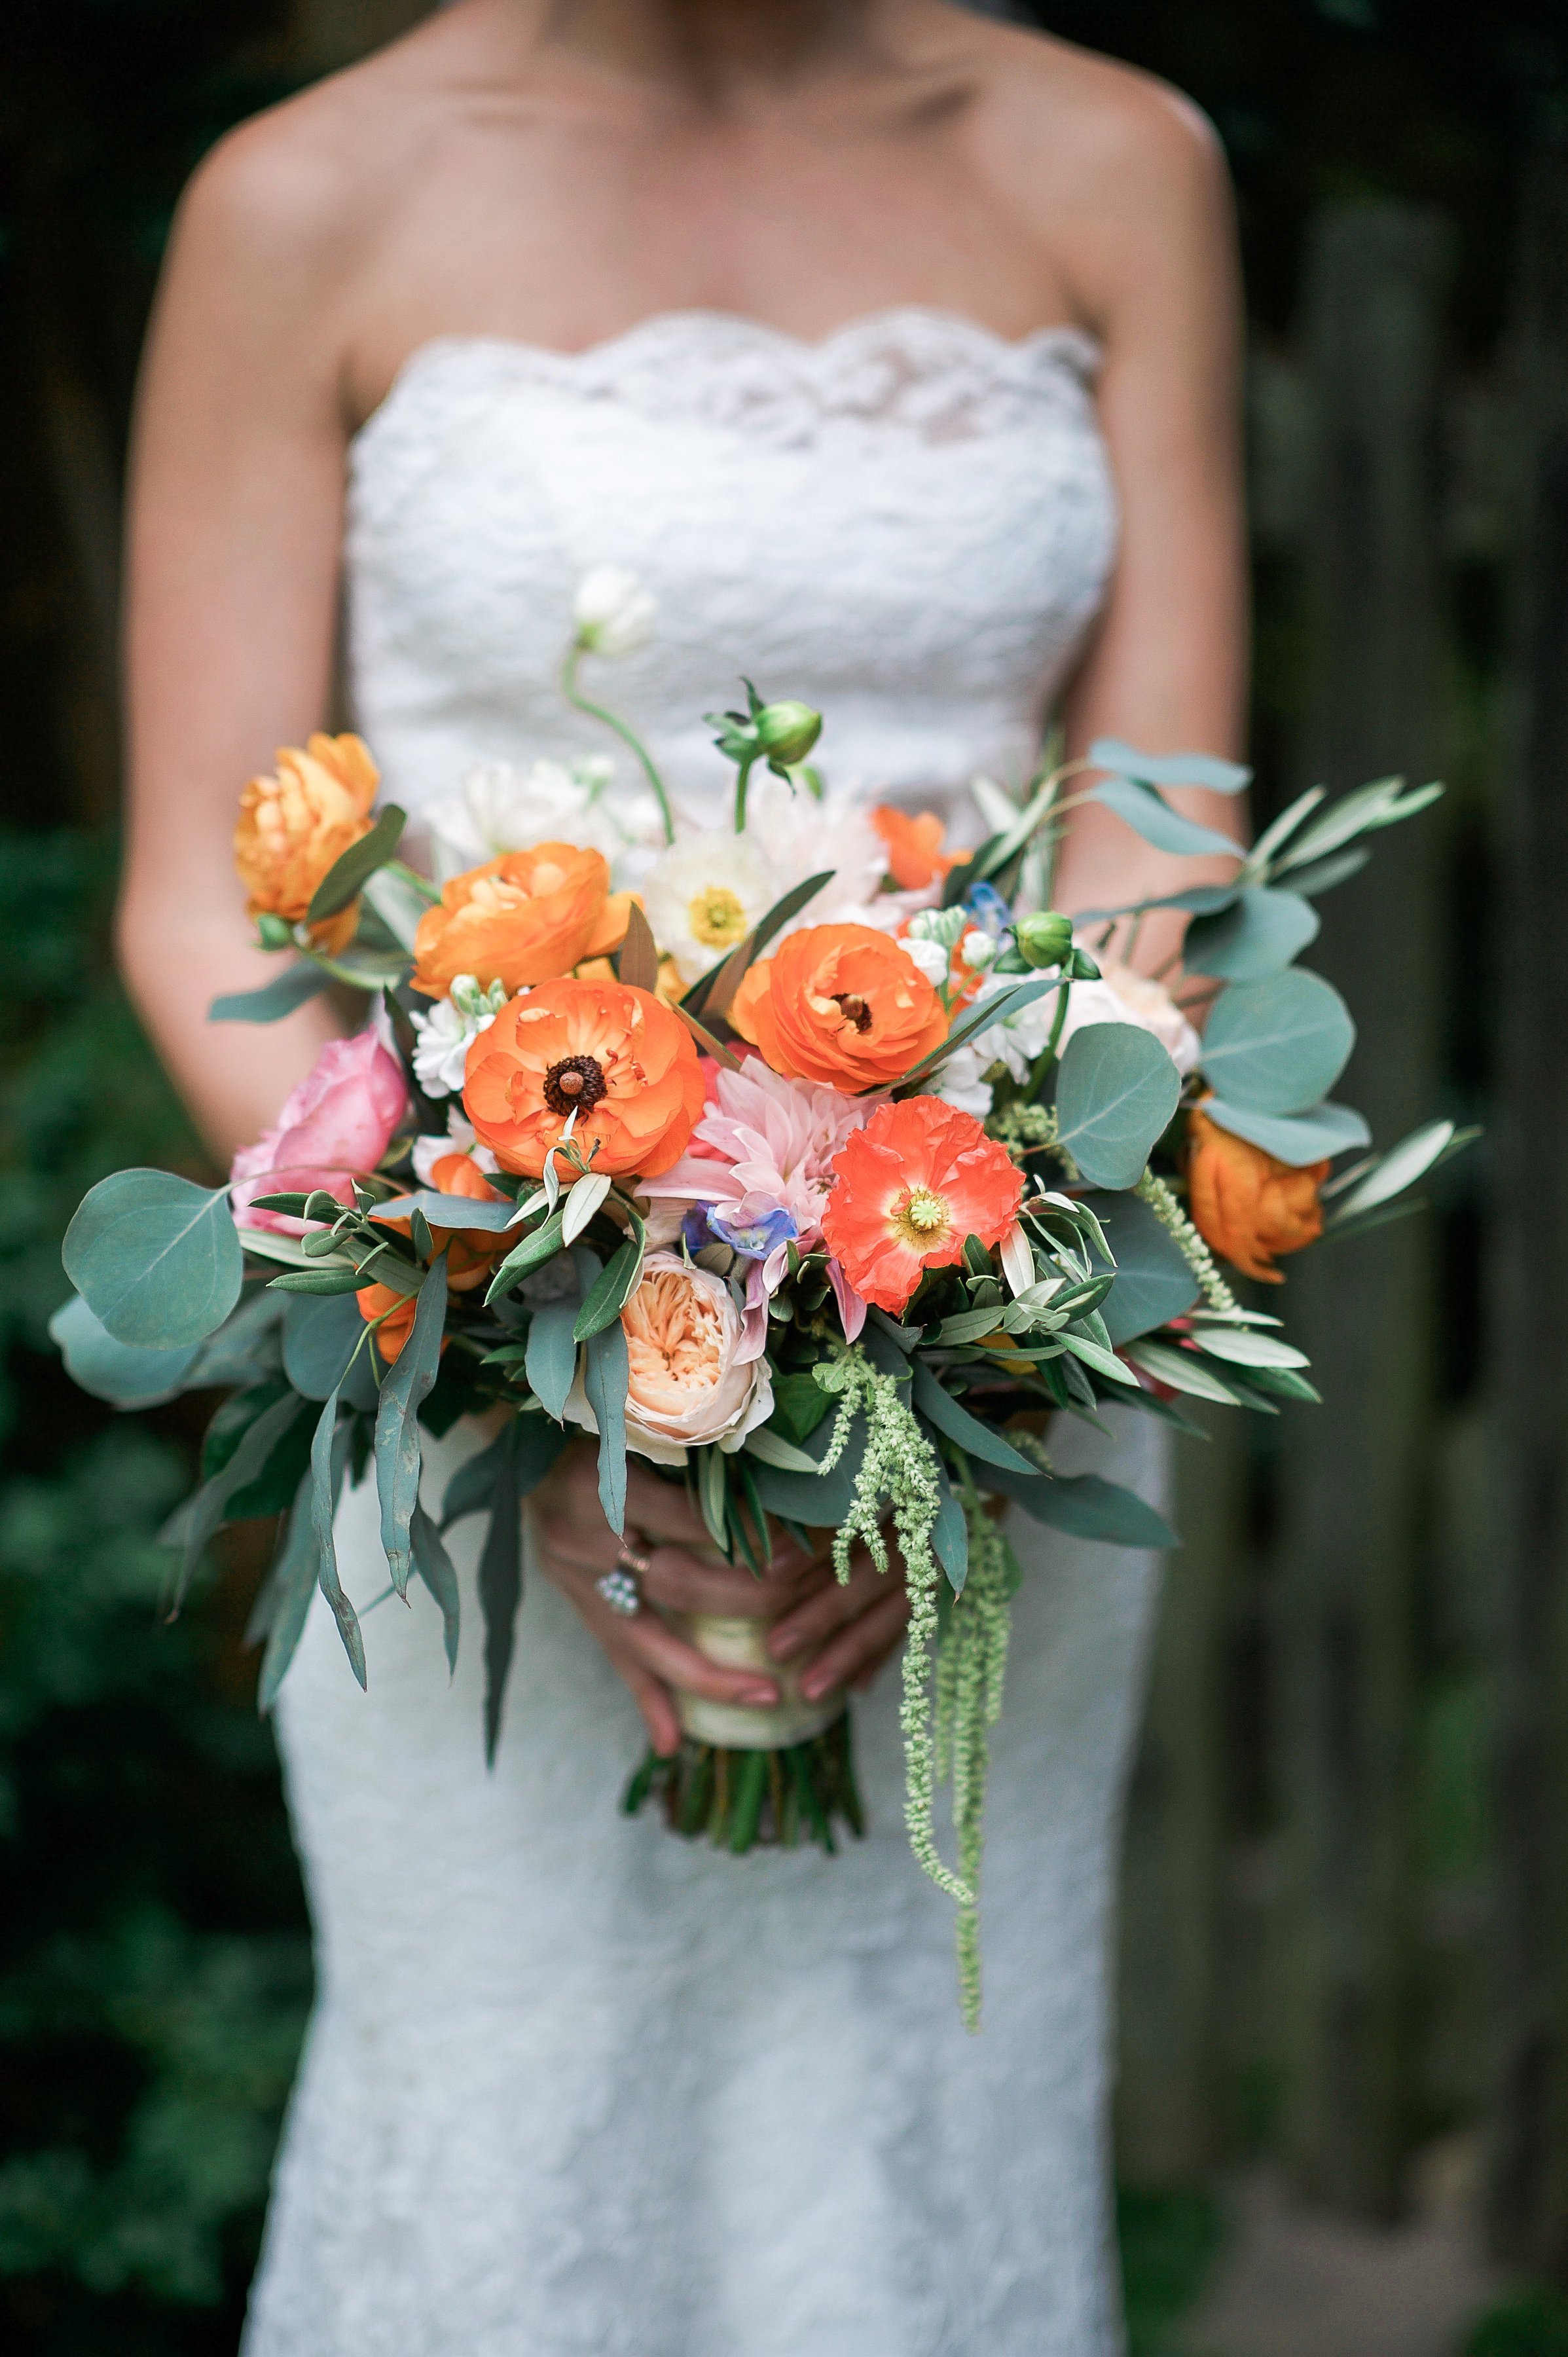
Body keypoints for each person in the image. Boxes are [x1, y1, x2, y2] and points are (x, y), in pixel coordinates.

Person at [119, 3, 1246, 2348]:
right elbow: (195, 882)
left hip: (989, 1373)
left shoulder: (1118, 159)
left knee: (922, 2131)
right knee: (513, 2130)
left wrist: (993, 1330)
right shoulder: (302, 197)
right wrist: (497, 1365)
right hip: (465, 1378)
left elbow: (1153, 818)